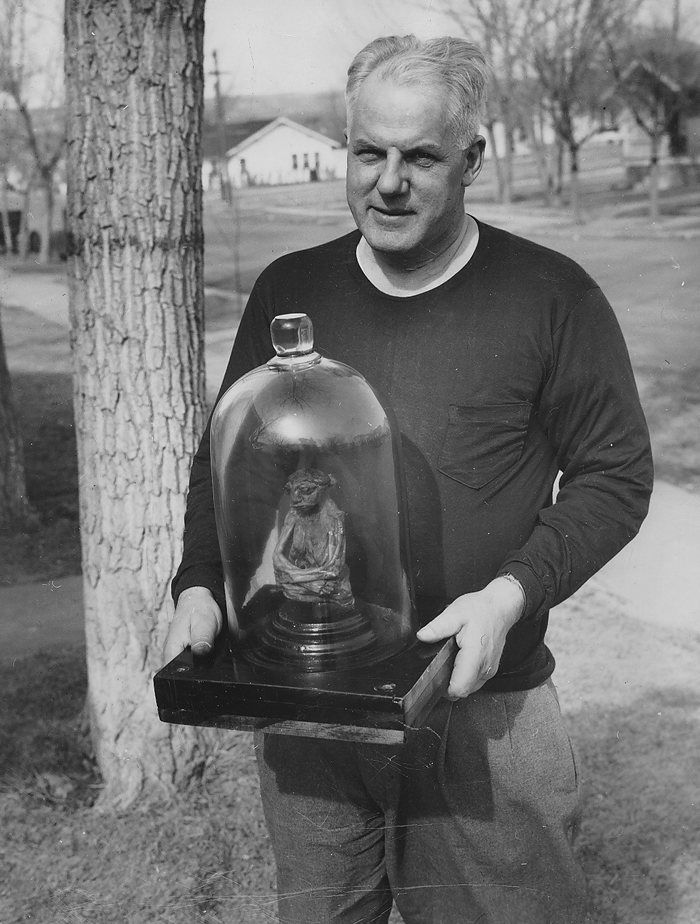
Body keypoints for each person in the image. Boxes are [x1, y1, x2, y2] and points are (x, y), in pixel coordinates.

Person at [165, 35, 653, 923]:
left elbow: (614, 479)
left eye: (421, 156)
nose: (388, 182)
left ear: (472, 157)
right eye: (367, 152)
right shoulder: (290, 288)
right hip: (317, 703)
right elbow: (225, 460)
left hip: (483, 709)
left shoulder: (551, 296)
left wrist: (512, 595)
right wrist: (200, 580)